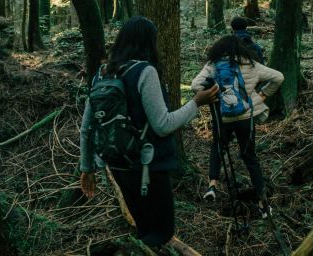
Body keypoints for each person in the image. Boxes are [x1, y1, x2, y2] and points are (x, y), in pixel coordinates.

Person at [79, 16, 218, 249]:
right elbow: (162, 124)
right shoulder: (145, 72)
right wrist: (197, 102)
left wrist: (87, 168)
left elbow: (87, 127)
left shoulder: (102, 73)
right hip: (147, 167)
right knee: (162, 232)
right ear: (149, 42)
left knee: (144, 228)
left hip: (117, 164)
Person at [191, 35, 284, 218]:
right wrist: (261, 96)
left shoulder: (213, 64)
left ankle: (212, 186)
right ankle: (263, 204)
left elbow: (195, 85)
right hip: (245, 118)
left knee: (218, 148)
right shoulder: (251, 64)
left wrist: (214, 97)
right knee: (250, 157)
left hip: (223, 118)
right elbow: (278, 77)